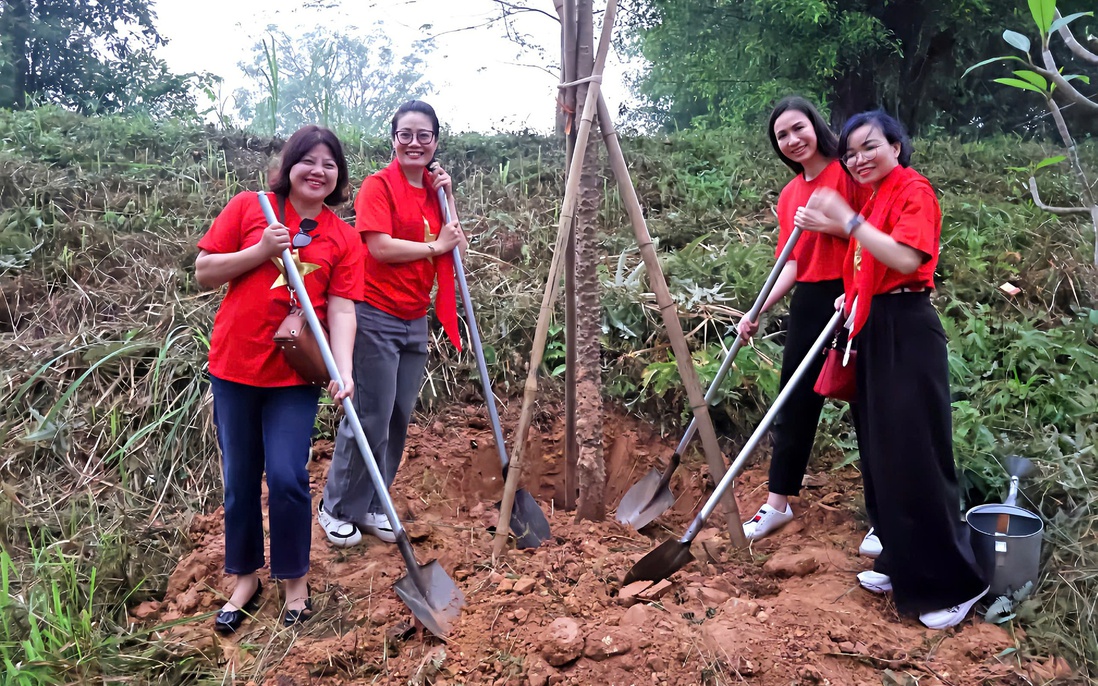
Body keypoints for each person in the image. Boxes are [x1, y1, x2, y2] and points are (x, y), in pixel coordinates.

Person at [798, 110, 989, 629]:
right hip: (877, 326)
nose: (859, 159)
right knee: (883, 453)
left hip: (908, 329)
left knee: (918, 454)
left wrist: (849, 221)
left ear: (898, 147)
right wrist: (851, 295)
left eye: (870, 147)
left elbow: (905, 259)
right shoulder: (877, 196)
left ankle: (956, 582)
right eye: (852, 152)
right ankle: (900, 559)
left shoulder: (913, 190)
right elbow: (868, 263)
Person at [195, 125, 361, 631]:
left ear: (338, 176)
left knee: (288, 477)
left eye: (329, 164)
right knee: (240, 480)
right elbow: (205, 271)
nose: (318, 171)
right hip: (235, 368)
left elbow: (344, 308)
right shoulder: (251, 208)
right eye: (308, 160)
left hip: (293, 377)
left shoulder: (343, 235)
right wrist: (260, 251)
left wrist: (344, 369)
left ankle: (294, 582)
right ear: (290, 165)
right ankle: (245, 579)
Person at [318, 100, 467, 546]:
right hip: (375, 314)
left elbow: (452, 237)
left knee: (399, 416)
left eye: (424, 136)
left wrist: (449, 196)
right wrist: (433, 249)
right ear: (394, 140)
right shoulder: (378, 186)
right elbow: (379, 247)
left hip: (413, 317)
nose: (415, 143)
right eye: (406, 135)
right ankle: (337, 507)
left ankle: (375, 502)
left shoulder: (434, 192)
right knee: (370, 415)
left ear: (436, 141)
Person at [737, 96, 878, 556]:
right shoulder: (790, 194)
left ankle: (882, 518)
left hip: (854, 290)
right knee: (793, 398)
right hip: (812, 298)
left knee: (866, 402)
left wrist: (832, 226)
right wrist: (758, 309)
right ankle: (778, 502)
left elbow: (874, 231)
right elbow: (792, 263)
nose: (793, 140)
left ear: (815, 126)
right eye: (782, 135)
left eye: (798, 128)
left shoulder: (847, 173)